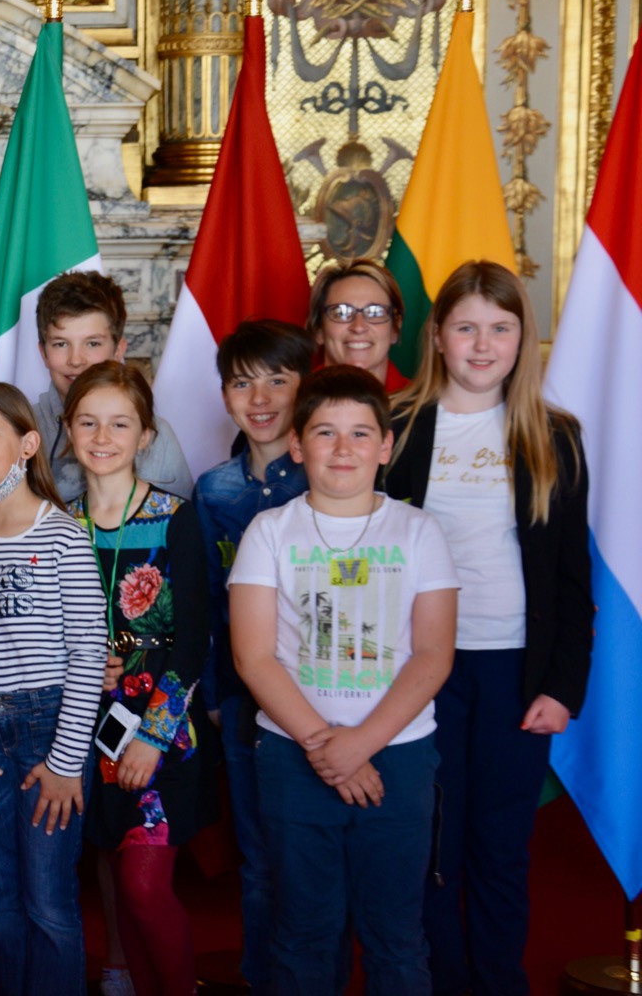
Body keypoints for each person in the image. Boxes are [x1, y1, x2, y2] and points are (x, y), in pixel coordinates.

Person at [382, 261, 592, 996]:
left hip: (516, 676)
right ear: (437, 336)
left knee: (500, 851)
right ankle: (439, 982)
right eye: (466, 327)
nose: (482, 344)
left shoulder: (554, 436)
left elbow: (572, 579)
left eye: (500, 328)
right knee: (434, 845)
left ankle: (500, 983)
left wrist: (563, 688)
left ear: (521, 339)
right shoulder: (399, 430)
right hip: (422, 672)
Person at [229, 365, 459, 993]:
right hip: (292, 756)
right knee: (304, 930)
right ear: (298, 444)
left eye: (361, 434)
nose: (343, 449)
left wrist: (360, 745)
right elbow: (254, 658)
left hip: (399, 758)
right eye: (325, 433)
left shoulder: (419, 532)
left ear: (385, 447)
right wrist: (324, 745)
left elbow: (433, 655)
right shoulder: (270, 531)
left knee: (395, 935)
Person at [0, 382, 108, 995]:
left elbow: (88, 655)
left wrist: (64, 765)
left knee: (49, 902)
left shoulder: (62, 534)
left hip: (48, 730)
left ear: (28, 444)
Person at [66, 361, 208, 996]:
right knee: (109, 864)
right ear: (68, 430)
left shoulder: (175, 516)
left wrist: (153, 735)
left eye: (120, 423)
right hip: (81, 729)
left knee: (144, 883)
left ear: (145, 434)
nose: (103, 435)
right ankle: (124, 974)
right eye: (88, 421)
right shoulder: (57, 522)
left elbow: (194, 642)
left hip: (161, 732)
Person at [191, 319, 315, 993]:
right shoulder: (216, 491)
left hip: (325, 694)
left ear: (305, 385)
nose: (259, 396)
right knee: (260, 856)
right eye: (241, 382)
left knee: (318, 855)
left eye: (277, 378)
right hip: (242, 701)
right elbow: (210, 601)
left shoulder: (328, 474)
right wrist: (212, 696)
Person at [34, 271, 193, 502]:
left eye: (93, 343)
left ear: (119, 350)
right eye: (60, 344)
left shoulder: (157, 435)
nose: (76, 360)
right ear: (43, 353)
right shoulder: (23, 428)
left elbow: (180, 519)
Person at [306, 258, 409, 392]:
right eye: (341, 312)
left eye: (375, 312)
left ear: (395, 329)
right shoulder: (289, 408)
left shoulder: (427, 409)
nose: (358, 327)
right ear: (318, 330)